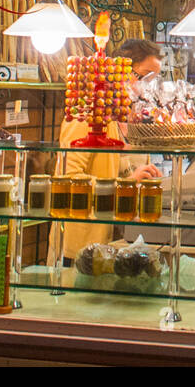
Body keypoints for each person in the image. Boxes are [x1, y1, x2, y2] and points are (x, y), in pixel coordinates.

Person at [60, 37, 163, 260]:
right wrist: (127, 184)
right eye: (144, 77)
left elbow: (133, 173)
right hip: (84, 248)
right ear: (120, 72)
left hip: (120, 243)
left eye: (155, 79)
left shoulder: (132, 120)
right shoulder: (87, 114)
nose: (148, 86)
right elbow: (70, 179)